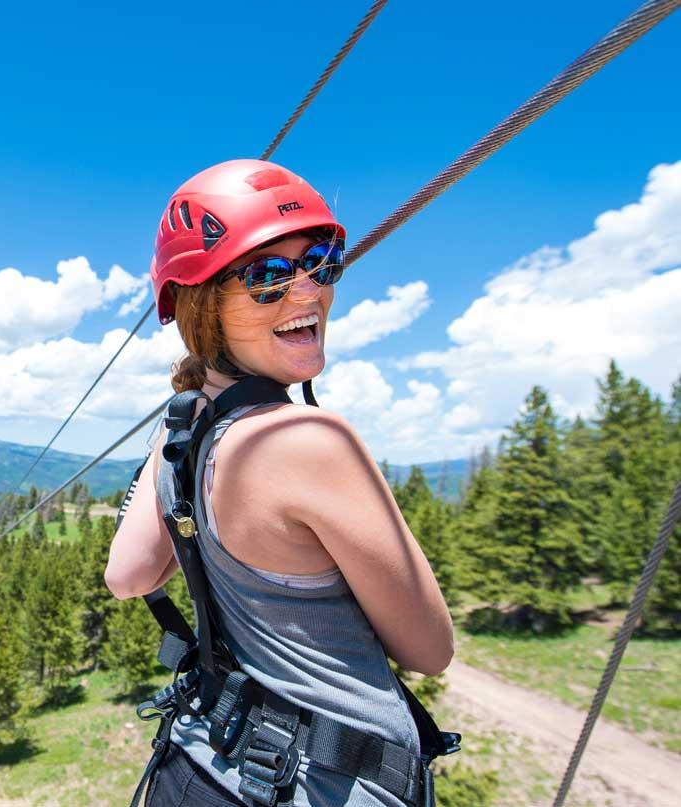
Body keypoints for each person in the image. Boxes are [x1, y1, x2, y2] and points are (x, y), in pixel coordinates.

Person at [106, 159, 454, 807]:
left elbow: (128, 576)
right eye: (266, 275)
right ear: (202, 305)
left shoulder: (183, 435)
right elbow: (430, 648)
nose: (308, 292)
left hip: (202, 769)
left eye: (322, 261)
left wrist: (189, 404)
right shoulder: (309, 441)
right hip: (321, 783)